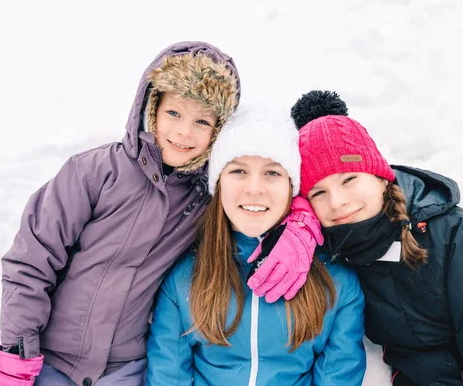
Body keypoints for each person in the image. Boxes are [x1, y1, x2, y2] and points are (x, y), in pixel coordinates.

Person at [0, 41, 249, 386]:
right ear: (151, 108)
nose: (185, 132)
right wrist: (17, 356)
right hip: (50, 359)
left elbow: (261, 214)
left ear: (218, 132)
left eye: (202, 121)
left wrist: (299, 228)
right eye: (174, 113)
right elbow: (32, 261)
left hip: (125, 369)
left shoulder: (205, 202)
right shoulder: (94, 172)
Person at [290, 90, 463, 385]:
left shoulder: (459, 238)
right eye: (318, 192)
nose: (337, 201)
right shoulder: (334, 251)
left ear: (380, 176)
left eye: (349, 179)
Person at [145, 105, 367, 385]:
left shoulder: (336, 283)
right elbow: (169, 375)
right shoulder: (184, 278)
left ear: (291, 187)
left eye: (272, 173)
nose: (254, 189)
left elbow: (338, 376)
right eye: (238, 171)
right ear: (218, 183)